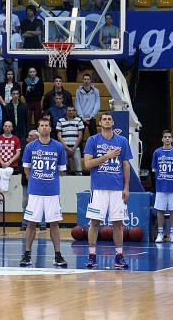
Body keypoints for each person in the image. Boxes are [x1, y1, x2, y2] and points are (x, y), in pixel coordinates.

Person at [83, 112, 132, 269]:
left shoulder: (122, 141)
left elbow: (126, 164)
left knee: (118, 223)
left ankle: (119, 256)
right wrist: (107, 156)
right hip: (98, 189)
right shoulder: (93, 140)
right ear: (100, 123)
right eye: (104, 119)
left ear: (113, 123)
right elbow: (88, 164)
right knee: (94, 222)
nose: (107, 121)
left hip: (117, 189)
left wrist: (126, 187)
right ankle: (92, 256)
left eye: (109, 119)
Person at [19, 118, 68, 268]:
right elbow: (26, 168)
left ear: (50, 128)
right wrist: (34, 178)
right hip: (35, 191)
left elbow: (62, 171)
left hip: (52, 191)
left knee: (54, 223)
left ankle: (58, 255)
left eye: (46, 125)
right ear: (38, 128)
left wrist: (49, 178)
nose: (44, 128)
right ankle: (27, 254)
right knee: (31, 223)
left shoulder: (58, 147)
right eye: (41, 125)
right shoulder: (30, 147)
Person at [151, 129, 173, 243]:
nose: (167, 138)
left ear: (172, 139)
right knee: (160, 210)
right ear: (162, 139)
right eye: (165, 137)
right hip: (161, 187)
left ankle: (172, 233)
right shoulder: (157, 153)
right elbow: (154, 170)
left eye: (169, 137)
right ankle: (160, 233)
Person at [56, 105, 85, 175]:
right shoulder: (60, 121)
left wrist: (74, 148)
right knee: (63, 169)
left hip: (76, 148)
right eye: (69, 110)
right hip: (64, 148)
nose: (71, 112)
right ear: (66, 111)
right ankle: (63, 184)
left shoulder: (79, 120)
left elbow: (80, 136)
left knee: (79, 169)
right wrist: (66, 147)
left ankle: (80, 182)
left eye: (72, 110)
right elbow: (59, 136)